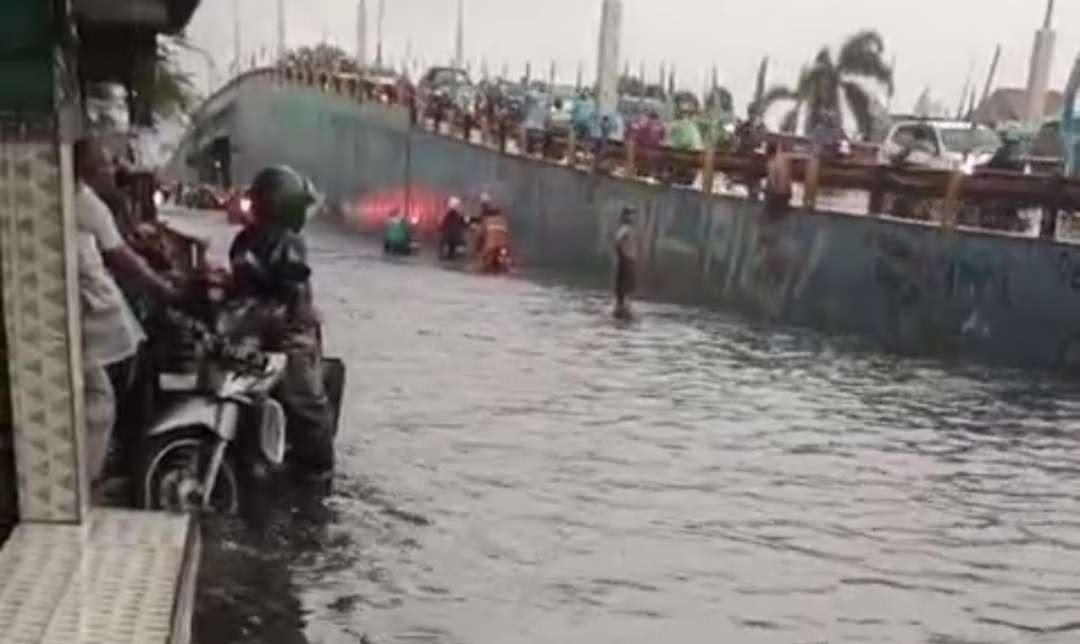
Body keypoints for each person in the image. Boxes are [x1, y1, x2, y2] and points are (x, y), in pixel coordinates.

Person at [73, 137, 178, 486]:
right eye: (104, 165)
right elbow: (121, 254)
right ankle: (89, 478)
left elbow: (124, 243)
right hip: (95, 307)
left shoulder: (91, 200)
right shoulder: (86, 201)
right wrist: (161, 286)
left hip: (95, 302)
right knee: (105, 395)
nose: (111, 170)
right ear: (88, 170)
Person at [228, 165, 335, 482]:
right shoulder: (255, 240)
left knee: (306, 399)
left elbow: (290, 286)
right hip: (257, 324)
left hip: (284, 329)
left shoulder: (279, 242)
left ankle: (318, 470)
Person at [613, 207, 639, 318]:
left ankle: (625, 306)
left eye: (633, 214)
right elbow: (618, 241)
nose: (633, 217)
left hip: (630, 259)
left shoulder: (631, 229)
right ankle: (622, 306)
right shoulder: (624, 229)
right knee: (624, 284)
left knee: (629, 284)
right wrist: (623, 255)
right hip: (626, 260)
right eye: (631, 214)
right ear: (625, 216)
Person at [474, 198, 512, 272]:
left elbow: (480, 236)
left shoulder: (486, 221)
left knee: (483, 264)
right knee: (507, 261)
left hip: (490, 247)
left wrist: (477, 247)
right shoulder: (504, 221)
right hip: (504, 245)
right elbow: (508, 236)